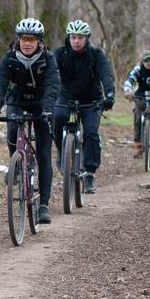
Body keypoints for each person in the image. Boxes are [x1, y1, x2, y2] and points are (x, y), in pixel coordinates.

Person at [0, 18, 61, 224]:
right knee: (12, 131)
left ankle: (44, 205)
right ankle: (17, 166)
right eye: (23, 39)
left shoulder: (48, 59)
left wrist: (48, 110)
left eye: (31, 39)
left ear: (39, 42)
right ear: (18, 40)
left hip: (41, 105)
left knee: (44, 153)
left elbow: (53, 85)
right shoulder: (9, 58)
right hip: (18, 101)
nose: (27, 43)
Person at [52, 20, 116, 194]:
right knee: (56, 119)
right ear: (69, 37)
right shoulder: (59, 54)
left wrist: (109, 95)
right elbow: (49, 74)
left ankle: (89, 173)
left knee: (91, 133)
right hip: (66, 98)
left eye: (80, 37)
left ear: (87, 38)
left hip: (91, 100)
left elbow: (106, 74)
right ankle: (61, 152)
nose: (77, 41)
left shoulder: (96, 54)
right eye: (73, 37)